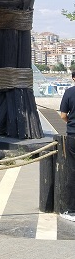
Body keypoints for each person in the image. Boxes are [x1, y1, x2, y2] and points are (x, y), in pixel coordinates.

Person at [59, 70, 75, 222]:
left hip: (73, 136)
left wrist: (71, 122)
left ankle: (71, 210)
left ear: (73, 78)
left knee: (72, 171)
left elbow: (63, 115)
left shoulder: (69, 93)